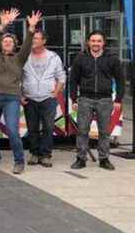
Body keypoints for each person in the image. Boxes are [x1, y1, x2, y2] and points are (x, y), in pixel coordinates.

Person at [0, 9, 39, 174]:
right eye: (4, 41)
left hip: (11, 98)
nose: (7, 42)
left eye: (10, 41)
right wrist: (3, 26)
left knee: (13, 131)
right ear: (0, 44)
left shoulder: (20, 58)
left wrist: (31, 28)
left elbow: (28, 45)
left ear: (15, 44)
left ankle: (19, 161)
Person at [69, 30, 124, 170]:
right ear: (88, 42)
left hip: (105, 99)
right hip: (85, 99)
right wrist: (74, 99)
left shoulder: (112, 58)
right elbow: (73, 80)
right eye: (93, 41)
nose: (96, 43)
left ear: (103, 43)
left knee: (104, 131)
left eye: (99, 41)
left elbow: (120, 80)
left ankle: (104, 159)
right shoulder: (80, 58)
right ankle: (81, 158)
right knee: (82, 130)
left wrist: (118, 99)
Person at [22, 30, 65, 168]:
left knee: (48, 127)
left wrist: (56, 92)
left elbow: (61, 76)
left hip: (48, 98)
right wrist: (20, 95)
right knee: (32, 128)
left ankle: (46, 155)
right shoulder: (24, 56)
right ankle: (34, 153)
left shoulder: (53, 57)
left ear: (44, 41)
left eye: (36, 38)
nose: (33, 41)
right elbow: (17, 77)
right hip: (29, 98)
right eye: (32, 38)